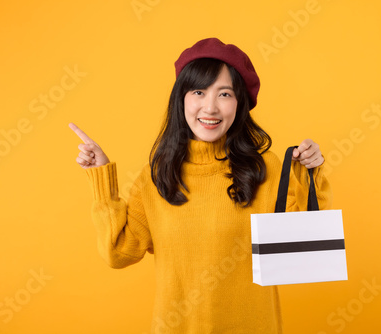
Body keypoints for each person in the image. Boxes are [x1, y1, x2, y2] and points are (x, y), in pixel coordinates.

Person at [69, 38, 332, 333]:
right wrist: (102, 178)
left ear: (239, 103)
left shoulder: (265, 168)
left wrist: (309, 173)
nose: (210, 107)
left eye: (224, 94)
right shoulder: (156, 177)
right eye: (198, 91)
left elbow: (307, 243)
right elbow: (118, 253)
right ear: (181, 98)